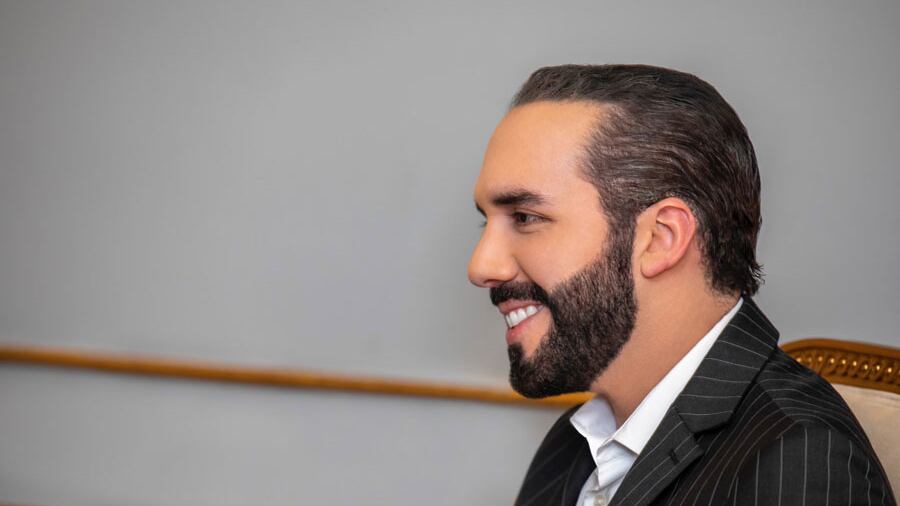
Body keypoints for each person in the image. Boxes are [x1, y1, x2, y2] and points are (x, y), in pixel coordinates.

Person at [468, 64, 895, 505]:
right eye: (487, 221)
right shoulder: (572, 442)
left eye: (526, 218)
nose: (480, 266)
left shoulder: (798, 460)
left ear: (661, 238)